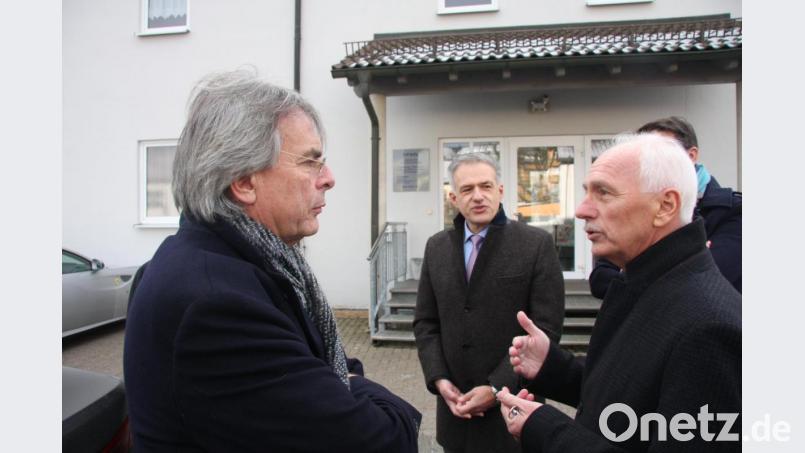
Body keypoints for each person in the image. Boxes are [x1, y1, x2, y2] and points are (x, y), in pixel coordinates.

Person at [123, 70, 421, 452]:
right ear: (244, 181)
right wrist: (342, 381)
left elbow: (335, 374)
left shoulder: (247, 263)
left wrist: (337, 381)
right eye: (310, 162)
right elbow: (382, 441)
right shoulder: (215, 304)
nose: (328, 178)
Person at [497, 133, 741, 452]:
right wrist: (553, 367)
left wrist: (545, 430)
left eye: (604, 193)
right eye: (587, 192)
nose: (582, 210)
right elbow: (631, 397)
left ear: (665, 206)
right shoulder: (646, 281)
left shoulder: (707, 329)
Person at [413, 152, 565, 453]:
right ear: (453, 197)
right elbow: (426, 323)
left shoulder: (535, 245)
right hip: (455, 413)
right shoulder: (437, 248)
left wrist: (496, 387)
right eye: (467, 190)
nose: (478, 196)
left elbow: (546, 329)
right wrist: (439, 379)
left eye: (486, 186)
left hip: (513, 417)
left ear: (501, 191)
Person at [589, 116, 741, 297]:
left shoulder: (733, 211)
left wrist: (629, 270)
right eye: (645, 158)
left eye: (660, 155)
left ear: (691, 156)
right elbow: (600, 279)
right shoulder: (636, 206)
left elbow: (710, 280)